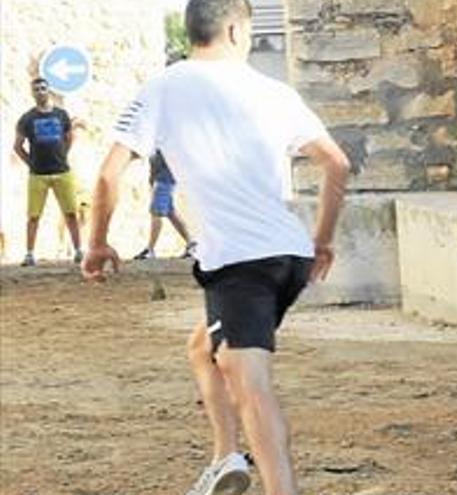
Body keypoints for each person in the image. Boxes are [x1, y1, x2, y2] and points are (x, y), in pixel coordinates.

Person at [81, 1, 351, 494]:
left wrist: (96, 243)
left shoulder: (165, 85)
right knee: (204, 348)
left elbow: (108, 173)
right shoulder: (274, 91)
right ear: (234, 29)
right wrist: (323, 239)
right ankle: (226, 457)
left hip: (240, 262)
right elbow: (336, 164)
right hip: (287, 254)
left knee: (250, 386)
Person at [13, 77, 83, 266]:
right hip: (38, 175)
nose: (40, 91)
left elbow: (69, 138)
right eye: (37, 89)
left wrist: (63, 155)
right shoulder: (27, 119)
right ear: (32, 93)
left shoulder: (61, 115)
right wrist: (31, 163)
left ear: (49, 90)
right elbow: (18, 146)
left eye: (43, 88)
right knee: (33, 216)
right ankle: (29, 254)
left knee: (71, 213)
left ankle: (78, 251)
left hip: (62, 172)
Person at [133, 150, 197, 260]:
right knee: (170, 212)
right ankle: (192, 245)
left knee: (155, 212)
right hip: (160, 179)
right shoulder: (154, 141)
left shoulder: (165, 138)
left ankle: (150, 250)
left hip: (164, 179)